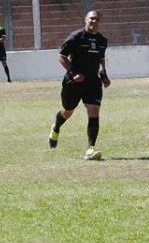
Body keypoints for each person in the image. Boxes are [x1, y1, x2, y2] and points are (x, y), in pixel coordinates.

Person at [47, 10, 111, 161]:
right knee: (68, 111)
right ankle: (56, 127)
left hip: (93, 83)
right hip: (73, 82)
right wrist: (73, 73)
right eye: (91, 18)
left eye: (97, 19)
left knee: (94, 112)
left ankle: (90, 149)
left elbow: (101, 59)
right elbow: (61, 56)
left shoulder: (102, 40)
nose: (94, 21)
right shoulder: (76, 37)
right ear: (85, 20)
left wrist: (104, 76)